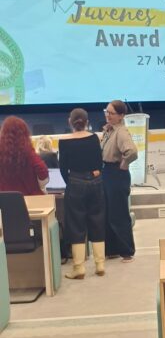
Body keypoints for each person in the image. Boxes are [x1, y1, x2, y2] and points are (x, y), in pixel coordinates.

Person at [58, 108, 105, 280]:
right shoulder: (94, 138)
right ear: (87, 122)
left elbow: (63, 169)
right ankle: (100, 264)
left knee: (76, 224)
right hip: (95, 182)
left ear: (70, 122)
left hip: (75, 183)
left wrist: (71, 182)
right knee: (97, 220)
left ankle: (79, 267)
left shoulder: (64, 142)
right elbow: (99, 163)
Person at [100, 101, 137, 260]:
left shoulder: (121, 132)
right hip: (107, 173)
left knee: (119, 214)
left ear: (121, 116)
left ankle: (126, 250)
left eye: (111, 113)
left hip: (116, 174)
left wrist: (124, 163)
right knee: (108, 213)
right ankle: (112, 250)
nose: (108, 115)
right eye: (106, 112)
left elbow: (132, 151)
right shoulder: (109, 130)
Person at [0, 116, 49, 194]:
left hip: (4, 199)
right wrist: (39, 185)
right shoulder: (28, 152)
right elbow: (43, 173)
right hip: (30, 198)